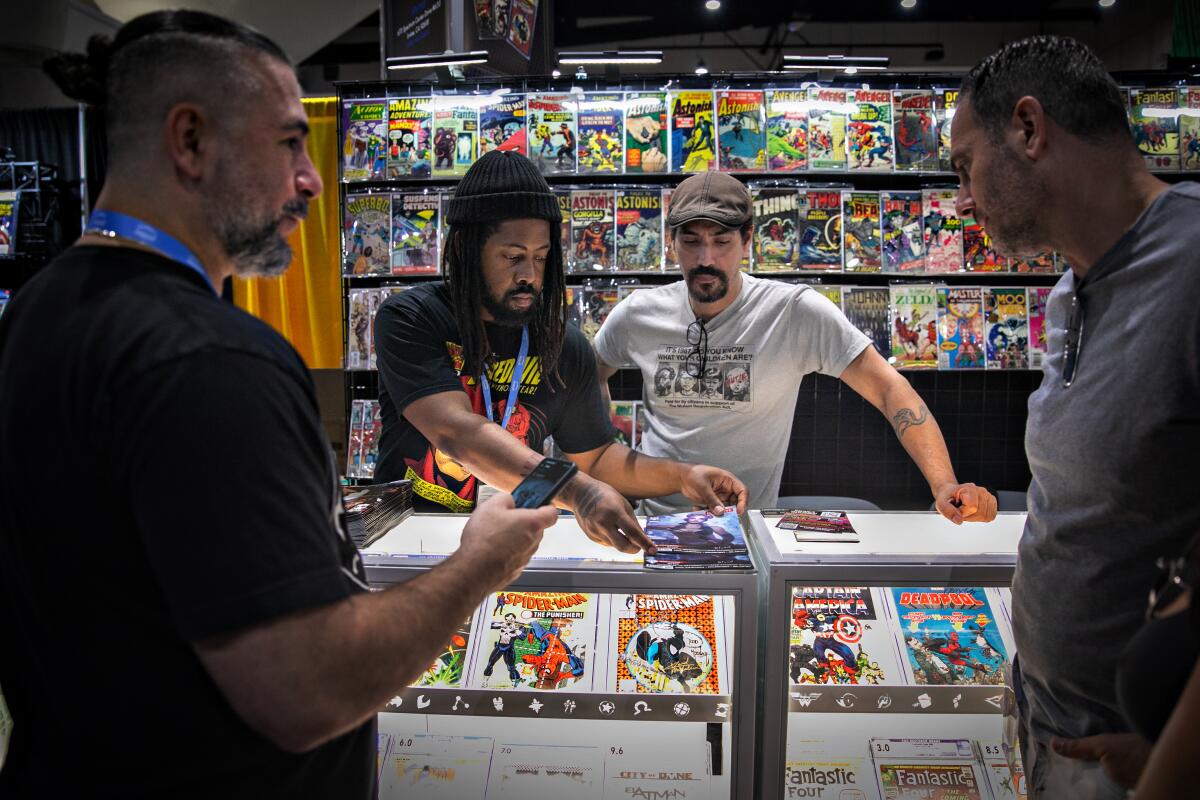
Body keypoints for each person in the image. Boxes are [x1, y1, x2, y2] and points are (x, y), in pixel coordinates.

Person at [0, 12, 559, 798]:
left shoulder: (39, 309)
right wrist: (480, 564)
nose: (312, 179)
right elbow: (309, 688)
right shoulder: (214, 359)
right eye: (290, 143)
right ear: (190, 140)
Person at [949, 35, 1200, 798]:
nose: (961, 199)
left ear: (1028, 129)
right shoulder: (1069, 292)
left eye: (965, 166)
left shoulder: (1192, 270)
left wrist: (1174, 759)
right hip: (1055, 723)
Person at [372, 149, 746, 553]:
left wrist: (683, 476)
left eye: (541, 258)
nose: (529, 275)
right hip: (409, 543)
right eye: (512, 257)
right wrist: (579, 493)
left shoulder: (562, 344)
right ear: (466, 251)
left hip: (512, 542)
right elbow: (456, 434)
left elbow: (599, 458)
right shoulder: (411, 318)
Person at [594, 170, 998, 519]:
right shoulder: (638, 314)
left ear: (748, 238)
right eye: (691, 241)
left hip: (749, 527)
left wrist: (944, 484)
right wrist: (605, 458)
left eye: (721, 242)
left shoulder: (793, 312)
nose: (706, 258)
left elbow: (890, 389)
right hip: (654, 524)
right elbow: (589, 373)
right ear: (671, 241)